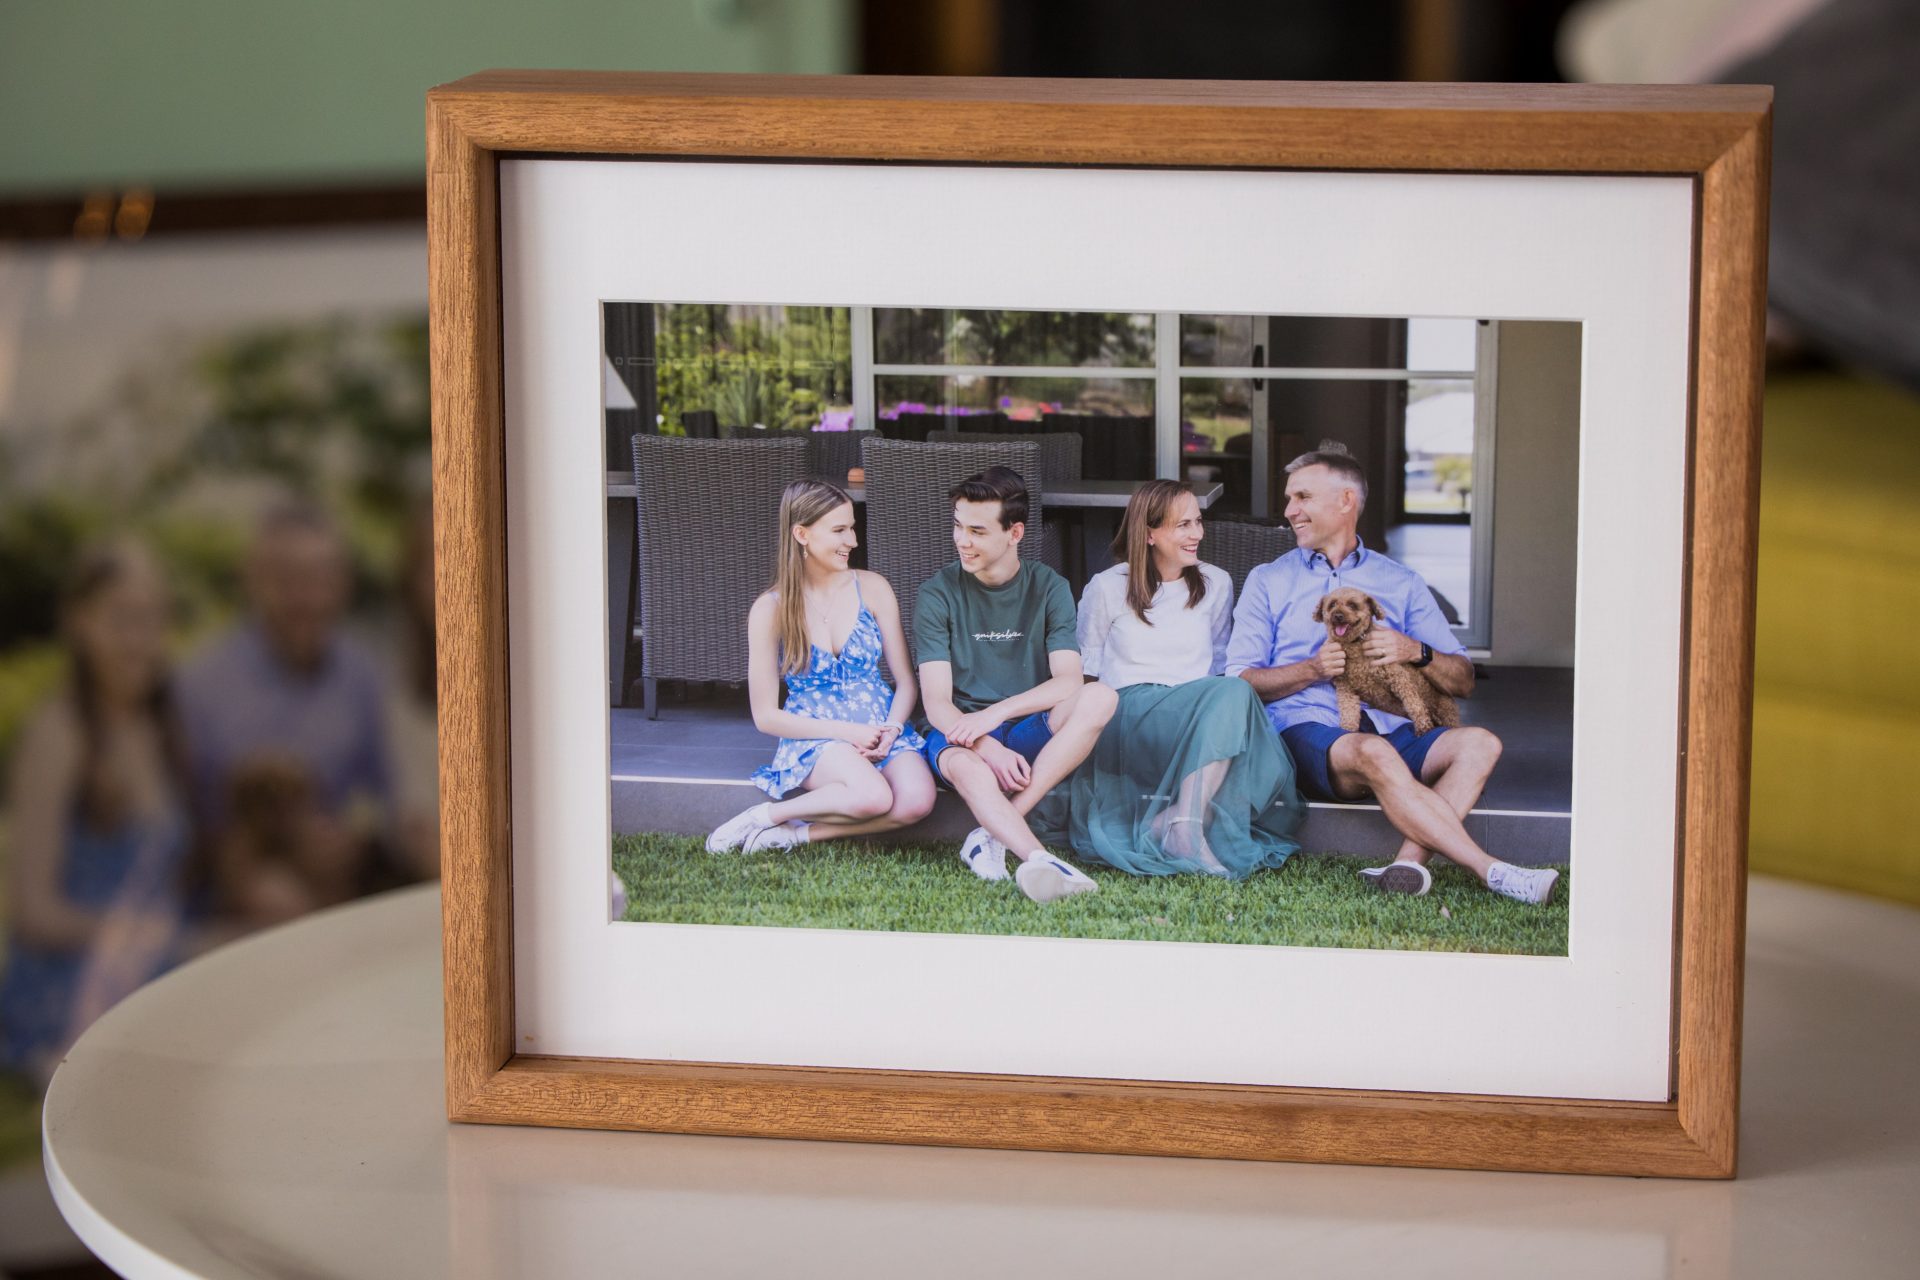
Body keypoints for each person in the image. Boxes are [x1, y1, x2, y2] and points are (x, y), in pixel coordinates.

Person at [1225, 442, 1560, 904]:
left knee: (1481, 743)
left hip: (1389, 724)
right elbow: (1238, 680)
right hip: (1307, 728)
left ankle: (1406, 866)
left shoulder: (1400, 582)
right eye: (1289, 499)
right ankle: (1492, 871)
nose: (1289, 511)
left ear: (1346, 501)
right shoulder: (1268, 579)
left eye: (1301, 497)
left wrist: (1415, 650)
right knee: (1374, 752)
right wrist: (1311, 669)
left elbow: (1462, 679)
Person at [0, 542, 191, 1085]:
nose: (142, 641)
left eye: (154, 620)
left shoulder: (161, 728)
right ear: (79, 623)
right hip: (72, 983)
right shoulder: (57, 736)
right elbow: (34, 912)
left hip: (148, 961)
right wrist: (146, 935)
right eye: (124, 619)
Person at [1051, 480, 1303, 877]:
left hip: (1192, 712)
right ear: (1149, 533)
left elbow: (1219, 663)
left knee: (1235, 694)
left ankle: (1180, 820)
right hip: (1126, 715)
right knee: (1235, 692)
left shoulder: (1216, 583)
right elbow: (1088, 673)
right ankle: (1184, 828)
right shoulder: (1107, 587)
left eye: (1198, 522)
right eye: (1183, 525)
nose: (1197, 534)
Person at [174, 501, 397, 922]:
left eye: (319, 578)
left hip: (344, 893)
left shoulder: (364, 676)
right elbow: (182, 832)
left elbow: (383, 800)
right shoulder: (200, 685)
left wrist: (352, 837)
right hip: (232, 906)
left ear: (343, 583)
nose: (306, 598)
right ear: (254, 581)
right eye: (287, 579)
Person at [915, 467, 1116, 904]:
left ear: (1015, 532)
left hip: (1026, 731)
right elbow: (936, 703)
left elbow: (1069, 680)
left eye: (976, 531)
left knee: (1100, 696)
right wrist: (985, 742)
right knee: (968, 767)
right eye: (957, 526)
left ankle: (989, 836)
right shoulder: (937, 593)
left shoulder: (1049, 587)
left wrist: (997, 715)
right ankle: (1039, 857)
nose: (961, 540)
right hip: (961, 735)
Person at [707, 480, 937, 853]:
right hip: (819, 735)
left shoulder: (874, 587)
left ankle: (795, 834)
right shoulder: (771, 608)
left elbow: (907, 682)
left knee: (917, 801)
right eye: (839, 530)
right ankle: (767, 815)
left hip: (882, 729)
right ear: (802, 534)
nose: (853, 541)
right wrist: (849, 733)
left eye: (852, 528)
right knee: (873, 797)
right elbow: (765, 717)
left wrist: (893, 729)